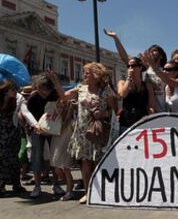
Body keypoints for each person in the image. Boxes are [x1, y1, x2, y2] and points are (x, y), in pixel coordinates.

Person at [47, 62, 117, 204]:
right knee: (85, 163)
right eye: (84, 72)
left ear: (96, 75)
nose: (84, 75)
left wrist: (103, 113)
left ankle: (103, 191)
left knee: (98, 162)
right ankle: (88, 192)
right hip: (81, 132)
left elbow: (114, 109)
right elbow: (64, 96)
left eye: (87, 73)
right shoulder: (80, 89)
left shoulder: (106, 90)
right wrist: (55, 81)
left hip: (98, 132)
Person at [20, 74, 64, 198]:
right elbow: (27, 115)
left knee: (55, 157)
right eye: (41, 89)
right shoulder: (33, 97)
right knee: (36, 157)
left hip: (53, 129)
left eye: (47, 89)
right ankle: (37, 186)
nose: (44, 92)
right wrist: (34, 127)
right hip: (37, 130)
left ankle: (56, 184)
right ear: (37, 87)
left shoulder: (55, 95)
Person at [104, 29, 167, 112]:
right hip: (150, 111)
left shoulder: (166, 70)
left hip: (165, 109)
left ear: (161, 55)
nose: (151, 52)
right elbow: (125, 58)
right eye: (149, 51)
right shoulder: (145, 70)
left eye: (154, 50)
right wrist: (116, 38)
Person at [142, 53, 178, 118]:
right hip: (177, 124)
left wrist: (152, 65)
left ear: (176, 72)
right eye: (164, 69)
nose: (164, 71)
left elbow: (166, 79)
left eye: (168, 70)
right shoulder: (166, 87)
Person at [117, 57, 155, 135]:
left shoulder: (147, 85)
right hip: (126, 124)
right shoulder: (122, 83)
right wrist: (128, 79)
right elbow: (122, 94)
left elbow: (152, 105)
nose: (130, 68)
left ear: (140, 67)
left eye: (133, 66)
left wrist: (150, 112)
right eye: (128, 66)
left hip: (142, 123)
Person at [50, 99, 76, 200]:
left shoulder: (71, 120)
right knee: (57, 169)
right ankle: (70, 186)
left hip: (66, 145)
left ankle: (69, 191)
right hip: (56, 145)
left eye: (62, 107)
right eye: (59, 107)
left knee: (66, 168)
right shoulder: (55, 118)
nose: (60, 109)